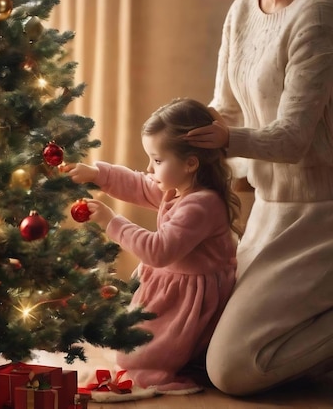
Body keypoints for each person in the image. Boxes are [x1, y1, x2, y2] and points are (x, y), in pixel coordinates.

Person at [183, 0, 333, 395]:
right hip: (270, 206)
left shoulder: (318, 8)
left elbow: (291, 138)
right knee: (185, 341)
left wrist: (224, 140)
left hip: (320, 212)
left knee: (234, 370)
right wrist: (176, 148)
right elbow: (224, 109)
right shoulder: (244, 8)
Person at [61, 97, 241, 394]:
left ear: (190, 163)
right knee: (127, 349)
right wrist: (96, 175)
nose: (149, 168)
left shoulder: (202, 204)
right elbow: (138, 184)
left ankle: (162, 370)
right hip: (168, 289)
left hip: (187, 299)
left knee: (142, 360)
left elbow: (158, 251)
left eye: (157, 160)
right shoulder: (180, 188)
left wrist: (111, 221)